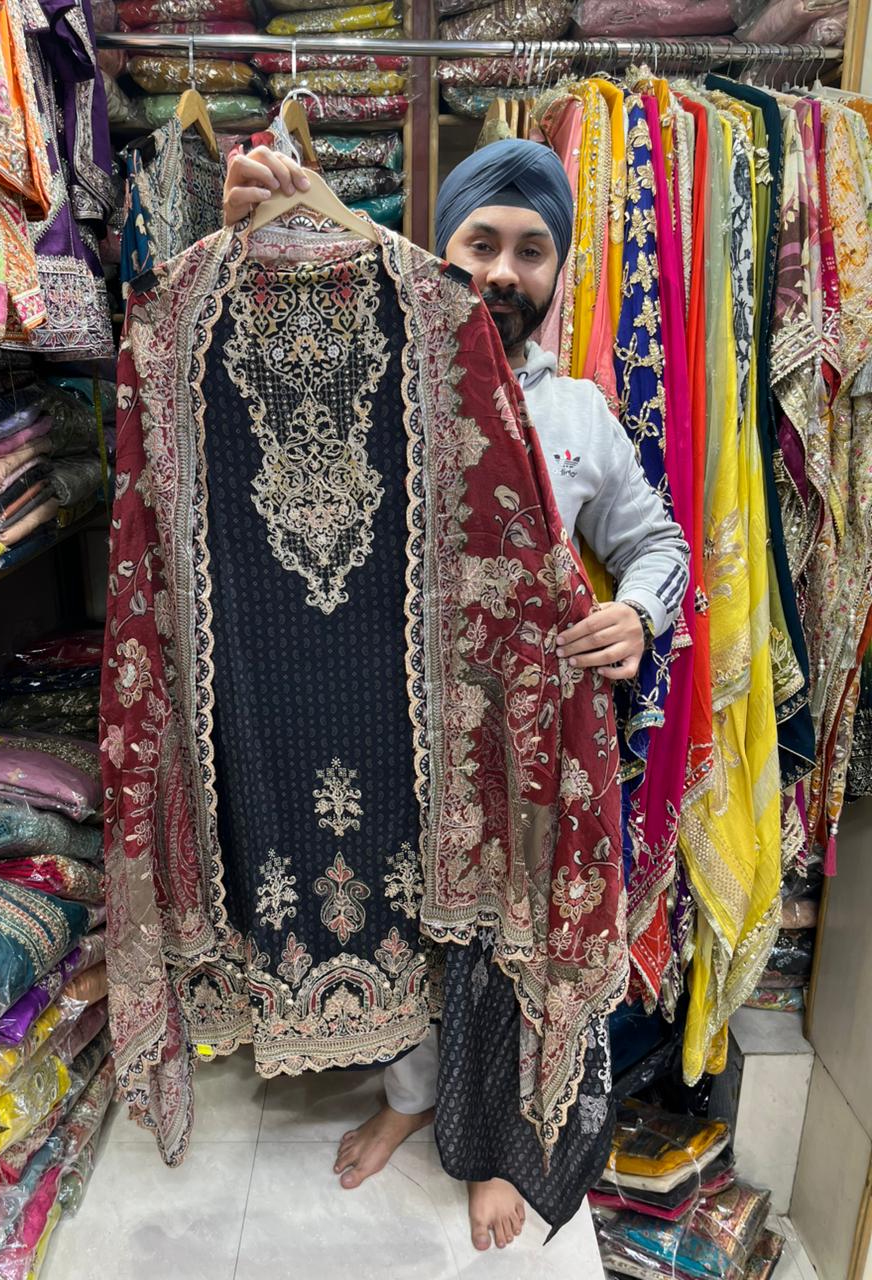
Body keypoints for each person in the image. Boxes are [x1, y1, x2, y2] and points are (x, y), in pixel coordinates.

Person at [223, 138, 690, 1252]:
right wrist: (261, 232)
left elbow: (660, 541)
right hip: (386, 722)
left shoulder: (579, 412)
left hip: (522, 738)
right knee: (404, 915)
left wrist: (638, 611)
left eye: (533, 251)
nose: (503, 272)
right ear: (442, 251)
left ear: (560, 273)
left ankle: (494, 1141)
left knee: (504, 936)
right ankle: (410, 1095)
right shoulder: (379, 383)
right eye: (481, 243)